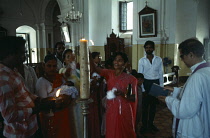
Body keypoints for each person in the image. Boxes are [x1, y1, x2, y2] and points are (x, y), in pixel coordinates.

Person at [0, 36, 53, 137]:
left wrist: (39, 100)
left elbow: (25, 93)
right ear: (10, 54)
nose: (25, 56)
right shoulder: (3, 78)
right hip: (19, 132)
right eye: (22, 53)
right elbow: (10, 116)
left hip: (31, 127)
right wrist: (37, 109)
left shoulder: (13, 71)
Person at [158, 38, 210, 138]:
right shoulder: (206, 71)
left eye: (182, 56)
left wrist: (167, 99)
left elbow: (185, 110)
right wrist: (176, 90)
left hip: (195, 129)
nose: (181, 59)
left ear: (191, 54)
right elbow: (200, 95)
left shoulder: (197, 76)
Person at [90, 52, 138, 138]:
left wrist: (123, 94)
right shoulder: (109, 73)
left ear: (125, 63)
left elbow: (133, 98)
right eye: (115, 60)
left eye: (120, 60)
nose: (116, 62)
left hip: (124, 110)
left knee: (124, 132)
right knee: (112, 131)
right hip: (111, 110)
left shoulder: (131, 79)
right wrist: (88, 55)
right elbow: (94, 69)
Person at [35, 54, 76, 138]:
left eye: (54, 66)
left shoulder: (60, 78)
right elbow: (43, 102)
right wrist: (56, 100)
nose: (52, 68)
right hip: (50, 117)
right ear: (44, 66)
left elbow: (68, 90)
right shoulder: (41, 82)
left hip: (64, 114)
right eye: (49, 66)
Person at [138, 40, 164, 133]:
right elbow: (140, 75)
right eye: (147, 47)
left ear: (153, 48)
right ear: (144, 49)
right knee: (145, 106)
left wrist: (161, 86)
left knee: (153, 106)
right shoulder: (141, 60)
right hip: (146, 83)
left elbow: (161, 73)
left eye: (150, 47)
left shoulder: (159, 59)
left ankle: (151, 124)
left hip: (155, 83)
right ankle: (144, 125)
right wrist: (143, 89)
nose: (148, 49)